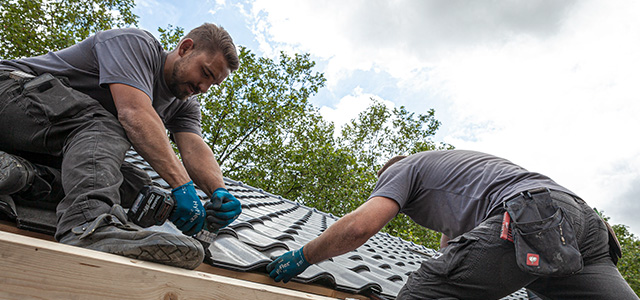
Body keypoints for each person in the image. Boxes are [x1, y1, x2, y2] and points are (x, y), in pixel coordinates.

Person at [0, 23, 242, 269]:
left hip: (43, 141)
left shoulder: (183, 104)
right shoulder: (136, 44)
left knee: (138, 188)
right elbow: (133, 113)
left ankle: (25, 174)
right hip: (10, 91)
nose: (203, 87)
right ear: (186, 48)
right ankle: (88, 227)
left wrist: (219, 192)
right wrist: (182, 185)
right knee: (104, 125)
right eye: (205, 73)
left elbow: (193, 147)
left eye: (213, 84)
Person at [267, 150, 638, 299]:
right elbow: (458, 249)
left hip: (535, 216)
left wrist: (304, 256)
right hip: (586, 228)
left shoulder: (403, 169)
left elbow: (359, 228)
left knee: (425, 291)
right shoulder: (458, 176)